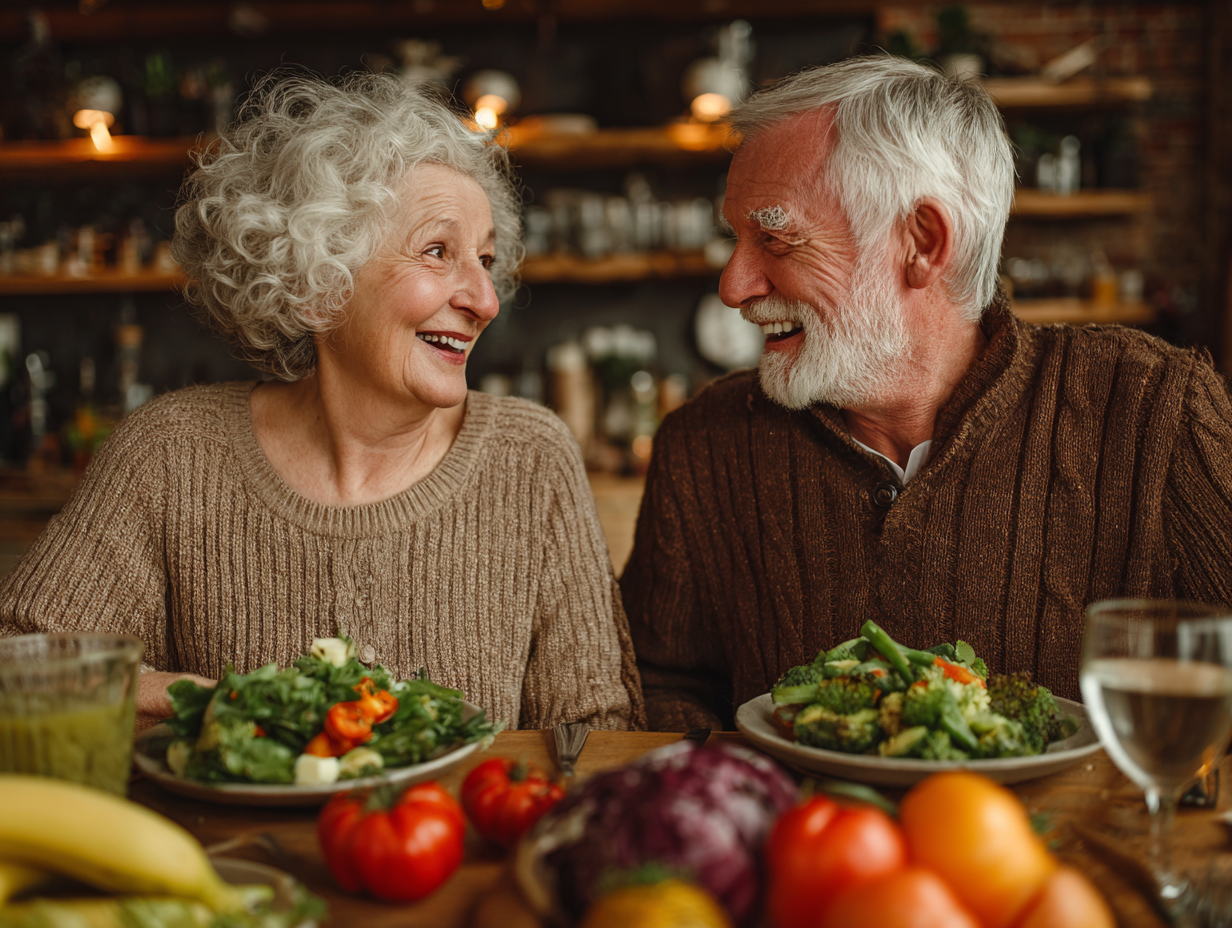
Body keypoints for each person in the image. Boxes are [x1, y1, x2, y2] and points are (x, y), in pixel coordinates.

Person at [0, 72, 644, 733]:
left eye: (485, 259)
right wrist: (217, 704)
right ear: (315, 288)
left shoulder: (530, 457)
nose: (485, 301)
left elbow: (596, 731)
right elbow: (18, 666)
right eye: (437, 251)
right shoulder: (171, 453)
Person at [622, 55, 1232, 731]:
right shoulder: (703, 444)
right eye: (736, 240)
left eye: (775, 239)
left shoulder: (1159, 412)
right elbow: (661, 682)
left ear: (923, 242)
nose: (733, 286)